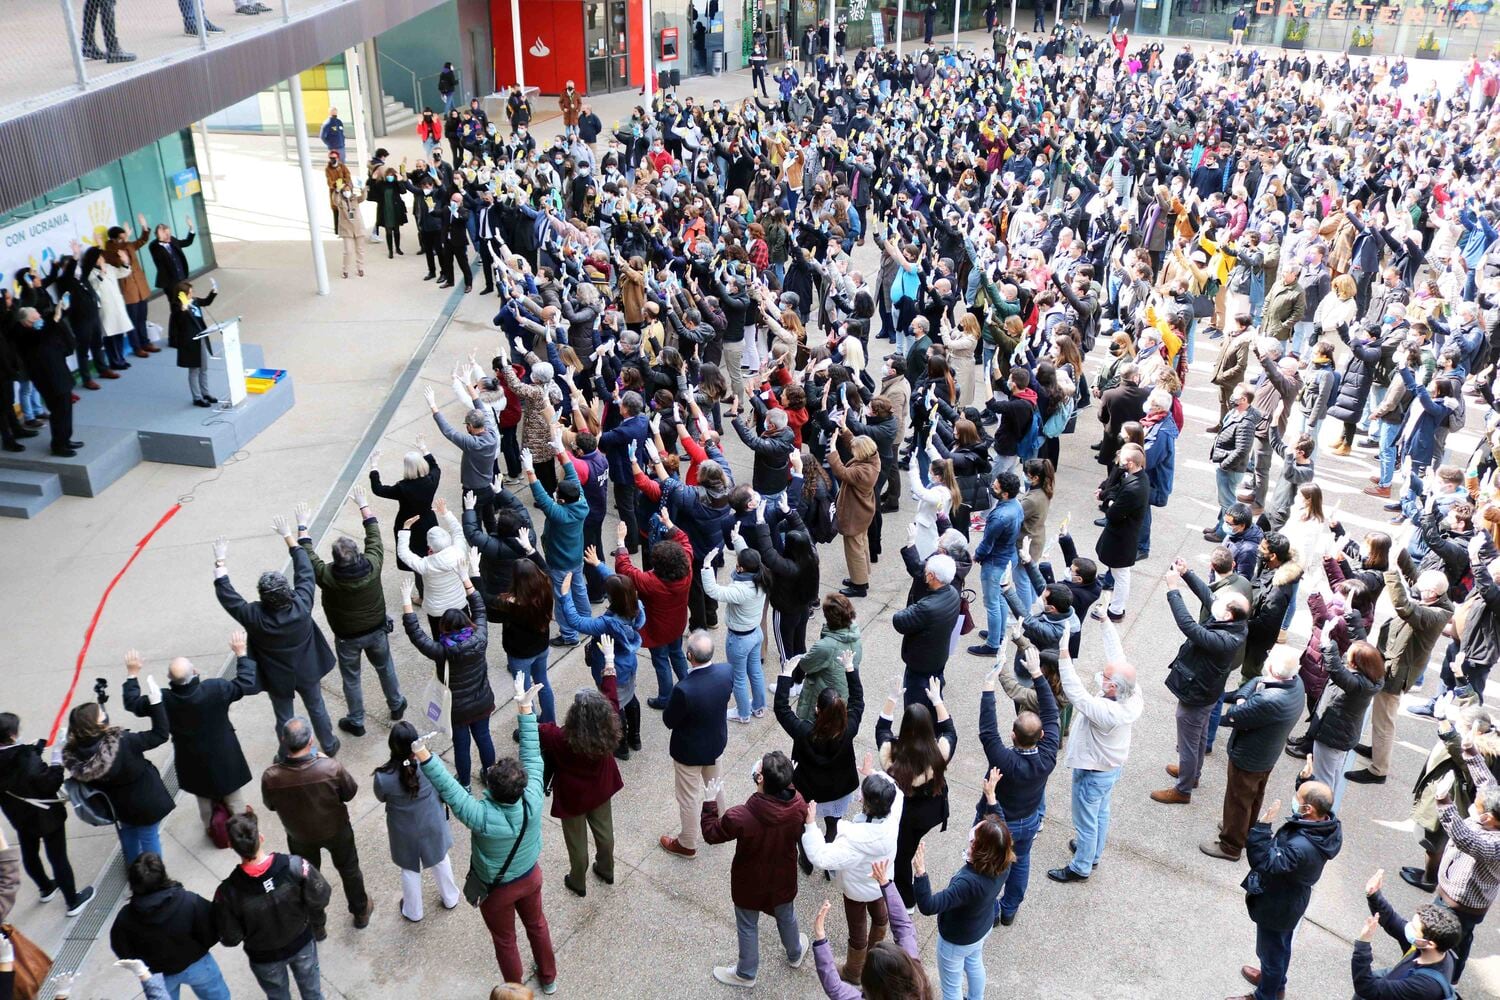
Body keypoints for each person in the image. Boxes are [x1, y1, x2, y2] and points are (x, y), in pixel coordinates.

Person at [415, 680, 557, 994]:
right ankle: (548, 978)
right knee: (538, 925)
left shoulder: (481, 817)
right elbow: (533, 756)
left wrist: (424, 755)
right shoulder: (533, 797)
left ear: (491, 788)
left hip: (497, 889)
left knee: (505, 940)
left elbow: (452, 791)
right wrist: (524, 708)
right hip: (531, 875)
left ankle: (514, 991)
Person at [213, 531, 341, 757]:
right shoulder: (301, 605)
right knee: (317, 707)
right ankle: (329, 744)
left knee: (284, 717)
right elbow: (305, 573)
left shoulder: (254, 616)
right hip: (307, 668)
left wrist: (220, 563)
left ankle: (286, 754)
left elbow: (228, 597)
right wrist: (291, 539)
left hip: (276, 675)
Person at [124, 631, 256, 841]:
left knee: (203, 798)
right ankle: (245, 835)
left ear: (170, 679)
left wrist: (132, 674)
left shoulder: (162, 700)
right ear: (194, 672)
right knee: (234, 798)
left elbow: (132, 703)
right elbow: (247, 684)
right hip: (224, 755)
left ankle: (212, 828)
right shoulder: (216, 688)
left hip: (191, 760)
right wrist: (241, 654)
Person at [302, 488, 406, 738]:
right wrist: (364, 506)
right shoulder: (373, 565)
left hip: (347, 636)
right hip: (377, 630)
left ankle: (357, 720)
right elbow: (375, 537)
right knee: (385, 666)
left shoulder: (327, 576)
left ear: (336, 559)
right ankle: (396, 704)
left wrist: (302, 528)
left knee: (351, 678)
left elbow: (307, 556)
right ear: (357, 554)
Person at [701, 750, 810, 989]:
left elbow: (711, 834)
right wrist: (786, 778)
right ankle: (795, 953)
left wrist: (709, 803)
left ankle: (746, 973)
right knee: (786, 915)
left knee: (748, 925)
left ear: (760, 779)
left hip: (748, 882)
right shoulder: (799, 804)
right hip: (783, 878)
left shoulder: (741, 816)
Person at [1230, 782, 1342, 1000]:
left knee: (1271, 952)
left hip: (1278, 904)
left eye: (1298, 797)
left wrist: (1262, 827)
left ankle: (1266, 994)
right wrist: (1305, 779)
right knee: (1280, 946)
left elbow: (1263, 861)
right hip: (1291, 900)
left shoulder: (1300, 848)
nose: (1294, 799)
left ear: (1308, 809)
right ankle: (1276, 983)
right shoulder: (1328, 824)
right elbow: (1316, 799)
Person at [260, 718, 373, 932]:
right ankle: (360, 912)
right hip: (337, 829)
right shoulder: (330, 767)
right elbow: (350, 792)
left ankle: (317, 924)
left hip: (299, 836)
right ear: (311, 740)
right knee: (349, 870)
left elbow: (270, 805)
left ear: (284, 741)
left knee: (306, 878)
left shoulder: (271, 776)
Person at [1048, 629, 1143, 882]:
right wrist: (1106, 624)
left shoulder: (1105, 711)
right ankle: (1094, 854)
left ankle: (1081, 866)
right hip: (1110, 769)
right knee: (1101, 813)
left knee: (1085, 822)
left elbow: (1074, 691)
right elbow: (1118, 657)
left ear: (1113, 686)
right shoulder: (1133, 695)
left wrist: (1064, 653)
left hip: (1093, 773)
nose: (1101, 677)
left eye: (1106, 677)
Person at [1153, 558, 1249, 806]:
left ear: (1228, 613)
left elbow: (1188, 626)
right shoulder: (1235, 622)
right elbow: (1209, 596)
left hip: (1197, 694)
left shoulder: (1224, 639)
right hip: (1208, 691)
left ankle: (1183, 789)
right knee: (1198, 736)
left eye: (1222, 604)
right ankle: (1192, 775)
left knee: (1188, 741)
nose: (1215, 604)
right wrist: (1187, 574)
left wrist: (1173, 590)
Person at [977, 639, 1058, 925]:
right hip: (1030, 817)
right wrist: (1037, 674)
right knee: (1021, 861)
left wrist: (989, 687)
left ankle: (987, 908)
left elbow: (987, 733)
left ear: (1013, 736)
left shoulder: (1004, 761)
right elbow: (1051, 712)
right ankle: (1009, 908)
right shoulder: (1048, 755)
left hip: (1003, 820)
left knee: (991, 864)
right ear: (1042, 736)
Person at [1348, 569, 1454, 786]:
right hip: (1395, 667)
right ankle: (1378, 752)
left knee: (1384, 722)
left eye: (1422, 589)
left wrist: (1391, 574)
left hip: (1397, 674)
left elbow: (1403, 606)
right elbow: (1415, 583)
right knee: (1382, 718)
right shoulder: (1436, 600)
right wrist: (1402, 562)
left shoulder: (1436, 614)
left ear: (1432, 593)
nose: (1417, 591)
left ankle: (1378, 770)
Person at [212, 811, 331, 1000]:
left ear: (230, 846)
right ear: (260, 837)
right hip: (301, 942)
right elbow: (321, 896)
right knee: (312, 992)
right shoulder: (296, 866)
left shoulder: (227, 893)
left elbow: (230, 937)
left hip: (264, 958)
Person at [1201, 647, 1304, 863]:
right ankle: (1245, 831)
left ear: (1273, 668)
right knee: (1254, 796)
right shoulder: (1295, 684)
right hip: (1266, 755)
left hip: (1249, 757)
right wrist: (1245, 695)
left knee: (1238, 800)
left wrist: (1241, 701)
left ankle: (1231, 845)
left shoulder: (1268, 700)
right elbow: (1256, 679)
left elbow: (1234, 716)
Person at [912, 779, 1011, 1000]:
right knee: (975, 964)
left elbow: (929, 906)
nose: (971, 840)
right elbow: (1001, 827)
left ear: (982, 850)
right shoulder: (1004, 858)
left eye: (974, 841)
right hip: (981, 927)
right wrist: (992, 798)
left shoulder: (968, 883)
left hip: (957, 939)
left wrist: (920, 873)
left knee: (951, 988)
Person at [62, 664, 172, 862]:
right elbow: (160, 735)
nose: (104, 715)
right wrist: (157, 704)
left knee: (128, 832)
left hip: (116, 803)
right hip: (144, 799)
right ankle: (155, 876)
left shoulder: (74, 754)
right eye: (101, 715)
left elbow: (98, 738)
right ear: (98, 725)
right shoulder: (123, 742)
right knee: (149, 836)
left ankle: (133, 866)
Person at [538, 648, 623, 898]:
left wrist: (523, 702)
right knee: (605, 833)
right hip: (601, 788)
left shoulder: (559, 738)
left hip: (573, 797)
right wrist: (609, 660)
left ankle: (578, 880)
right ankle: (606, 869)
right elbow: (611, 694)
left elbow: (536, 728)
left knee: (576, 844)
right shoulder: (610, 722)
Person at [401, 571, 497, 789]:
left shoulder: (441, 651)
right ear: (467, 622)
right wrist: (467, 579)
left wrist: (407, 603)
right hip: (482, 700)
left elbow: (416, 635)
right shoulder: (480, 637)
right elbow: (480, 608)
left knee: (461, 746)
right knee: (484, 737)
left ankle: (464, 784)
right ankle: (491, 775)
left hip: (457, 709)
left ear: (443, 628)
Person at [1427, 725, 1500, 985]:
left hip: (1462, 904)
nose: (1472, 808)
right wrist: (1469, 748)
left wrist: (1444, 803)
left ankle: (1439, 981)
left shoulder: (1495, 844)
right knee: (1460, 938)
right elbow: (1484, 781)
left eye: (1477, 808)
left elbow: (1466, 839)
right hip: (1454, 893)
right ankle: (1450, 977)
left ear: (1489, 819)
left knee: (1448, 940)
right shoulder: (1494, 803)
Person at [0, 713, 94, 916]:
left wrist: (34, 750)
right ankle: (72, 900)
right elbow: (51, 781)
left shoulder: (23, 756)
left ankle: (45, 887)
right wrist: (56, 756)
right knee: (58, 857)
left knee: (29, 852)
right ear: (12, 735)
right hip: (45, 816)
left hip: (18, 815)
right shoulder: (28, 760)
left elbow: (15, 766)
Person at [877, 678, 957, 908]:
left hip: (906, 816)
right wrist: (937, 700)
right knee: (911, 845)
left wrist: (892, 699)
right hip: (931, 811)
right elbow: (950, 730)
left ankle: (907, 901)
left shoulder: (891, 756)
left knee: (902, 857)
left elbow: (882, 729)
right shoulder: (939, 753)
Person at [371, 722, 461, 922]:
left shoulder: (382, 777)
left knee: (410, 869)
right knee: (440, 859)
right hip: (432, 822)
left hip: (403, 830)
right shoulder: (431, 762)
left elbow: (381, 796)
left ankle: (414, 911)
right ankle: (450, 898)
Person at [110, 852, 229, 1000]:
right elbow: (212, 929)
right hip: (197, 963)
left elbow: (123, 951)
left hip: (158, 974)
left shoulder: (125, 919)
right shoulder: (189, 901)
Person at [660, 630, 735, 859]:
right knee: (716, 785)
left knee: (689, 798)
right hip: (715, 743)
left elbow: (669, 721)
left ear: (689, 654)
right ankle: (723, 824)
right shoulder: (726, 671)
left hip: (689, 752)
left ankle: (687, 843)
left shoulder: (684, 689)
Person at [811, 860, 931, 1000]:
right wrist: (886, 884)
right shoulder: (918, 982)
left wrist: (820, 939)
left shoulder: (916, 975)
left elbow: (835, 988)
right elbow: (904, 929)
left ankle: (851, 971)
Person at [1354, 869, 1462, 999]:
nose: (1408, 927)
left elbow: (1367, 988)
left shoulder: (1424, 987)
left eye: (1414, 927)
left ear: (1430, 944)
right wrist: (1374, 895)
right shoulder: (1431, 948)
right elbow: (1393, 922)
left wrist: (1363, 944)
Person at [702, 537, 773, 723]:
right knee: (756, 672)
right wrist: (739, 540)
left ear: (741, 568)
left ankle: (743, 713)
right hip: (756, 634)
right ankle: (758, 707)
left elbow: (714, 591)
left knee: (739, 678)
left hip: (739, 640)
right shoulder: (762, 575)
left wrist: (707, 567)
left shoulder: (741, 590)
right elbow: (751, 557)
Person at [892, 552, 962, 714]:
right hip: (938, 658)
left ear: (931, 576)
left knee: (915, 709)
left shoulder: (926, 608)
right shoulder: (952, 593)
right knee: (934, 698)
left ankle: (918, 735)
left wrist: (914, 602)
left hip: (920, 667)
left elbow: (899, 620)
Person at [369, 445, 441, 600]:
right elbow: (435, 467)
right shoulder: (431, 480)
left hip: (410, 526)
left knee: (417, 562)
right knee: (432, 554)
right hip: (429, 521)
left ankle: (423, 597)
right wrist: (425, 449)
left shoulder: (402, 488)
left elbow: (378, 489)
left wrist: (374, 466)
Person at [968, 472, 1024, 657]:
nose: (993, 487)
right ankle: (997, 635)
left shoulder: (999, 516)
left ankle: (993, 644)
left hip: (995, 563)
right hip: (1009, 557)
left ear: (1006, 493)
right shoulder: (1016, 505)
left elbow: (987, 543)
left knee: (992, 603)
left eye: (997, 487)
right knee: (1000, 599)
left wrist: (976, 556)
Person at [1092, 443, 1149, 622]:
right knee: (1120, 572)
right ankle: (1116, 607)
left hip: (1122, 537)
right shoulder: (1137, 477)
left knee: (1121, 574)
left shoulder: (1134, 488)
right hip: (1123, 535)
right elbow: (1118, 489)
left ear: (1131, 463)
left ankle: (1116, 610)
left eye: (1123, 460)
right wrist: (1106, 495)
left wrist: (1109, 503)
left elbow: (1114, 513)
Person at [167, 278, 219, 407]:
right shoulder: (177, 308)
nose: (192, 294)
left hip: (200, 337)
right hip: (189, 342)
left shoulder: (194, 301)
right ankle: (197, 397)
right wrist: (184, 309)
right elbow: (178, 323)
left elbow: (206, 302)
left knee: (204, 368)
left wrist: (213, 292)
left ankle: (205, 393)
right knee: (194, 370)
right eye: (190, 292)